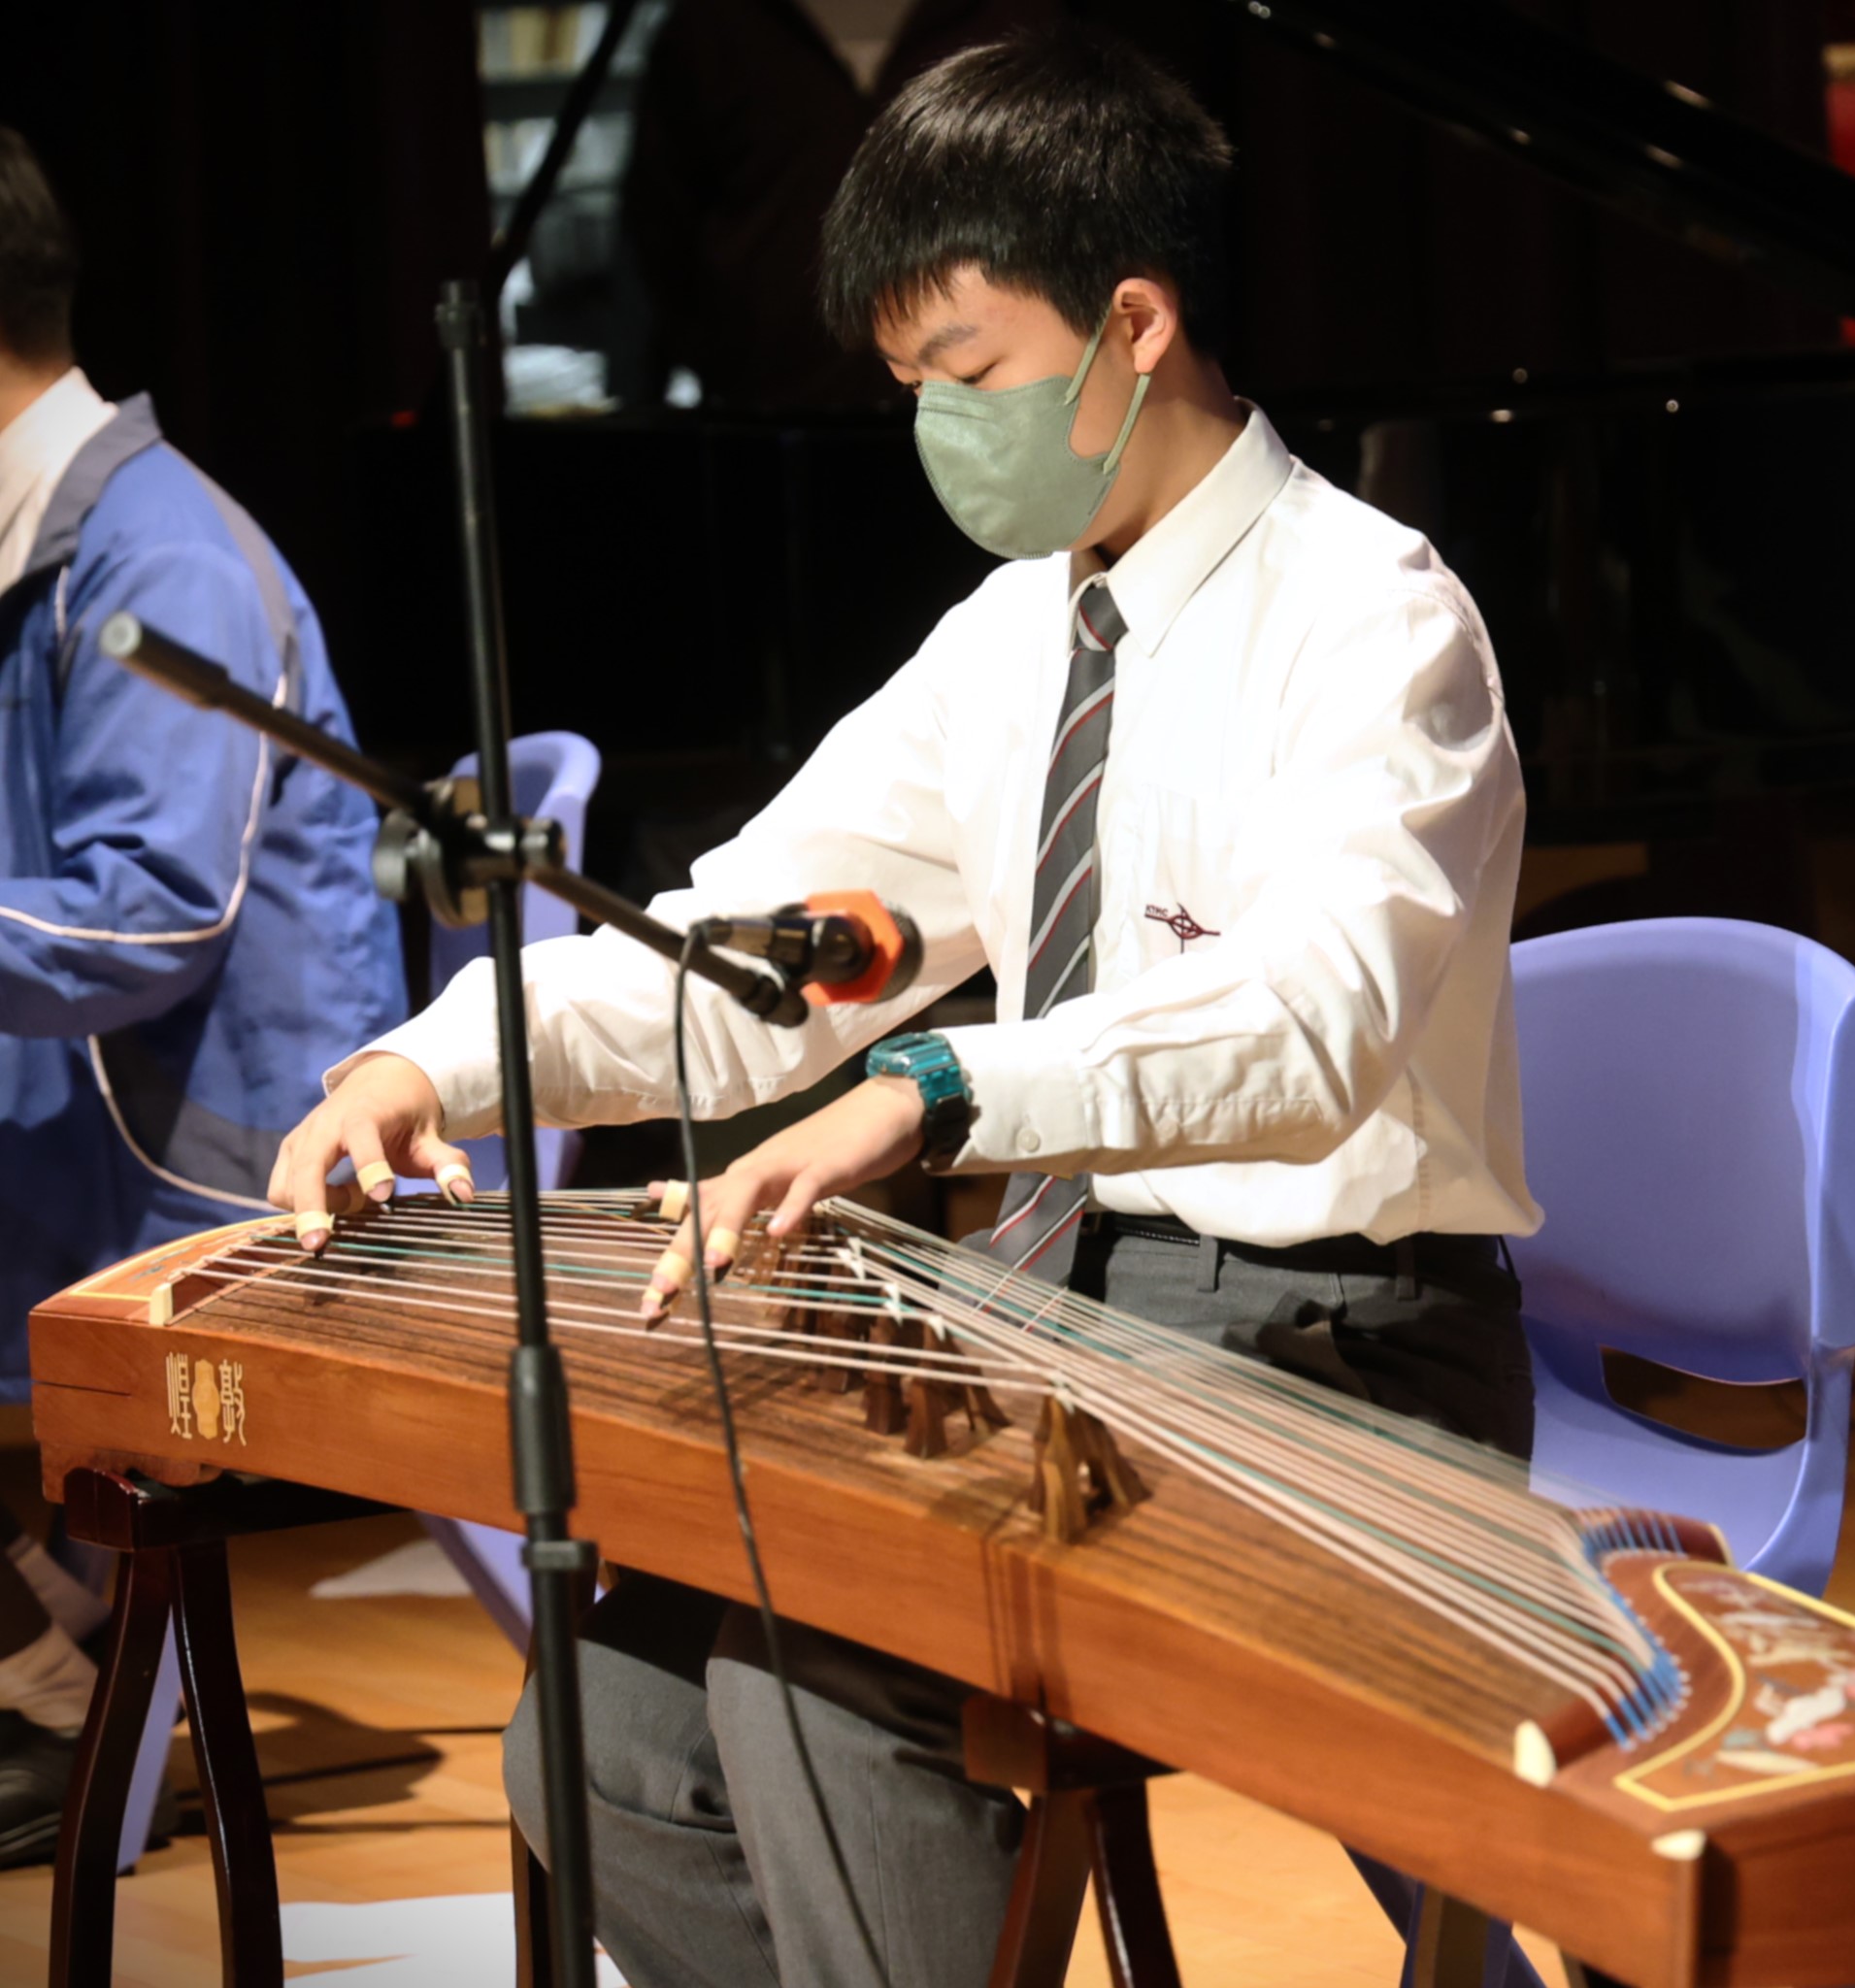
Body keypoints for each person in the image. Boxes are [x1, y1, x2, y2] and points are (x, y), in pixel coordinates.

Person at [273, 28, 1542, 1987]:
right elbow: (740, 958)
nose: (943, 430)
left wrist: (936, 1084)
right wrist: (428, 1062)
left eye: (970, 374)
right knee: (600, 1733)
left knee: (816, 1661)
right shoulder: (1015, 634)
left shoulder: (1377, 621)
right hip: (1066, 1317)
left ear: (1135, 325)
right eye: (912, 390)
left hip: (1340, 1347)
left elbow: (1316, 1024)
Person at [0, 125, 407, 1866]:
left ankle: (53, 1699)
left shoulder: (155, 556)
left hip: (224, 1173)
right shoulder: (47, 541)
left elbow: (147, 922)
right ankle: (56, 1659)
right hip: (80, 1143)